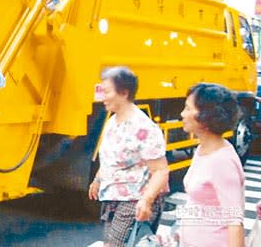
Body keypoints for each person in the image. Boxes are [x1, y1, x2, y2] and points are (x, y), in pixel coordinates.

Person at [88, 66, 169, 247]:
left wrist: (146, 201)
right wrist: (97, 180)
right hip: (114, 197)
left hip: (135, 200)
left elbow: (161, 171)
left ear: (124, 93)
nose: (102, 96)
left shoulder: (143, 128)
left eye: (107, 91)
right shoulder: (112, 121)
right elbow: (109, 159)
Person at [178, 83, 244, 247]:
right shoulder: (202, 149)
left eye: (187, 108)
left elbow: (234, 223)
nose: (182, 114)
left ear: (206, 116)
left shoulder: (222, 161)